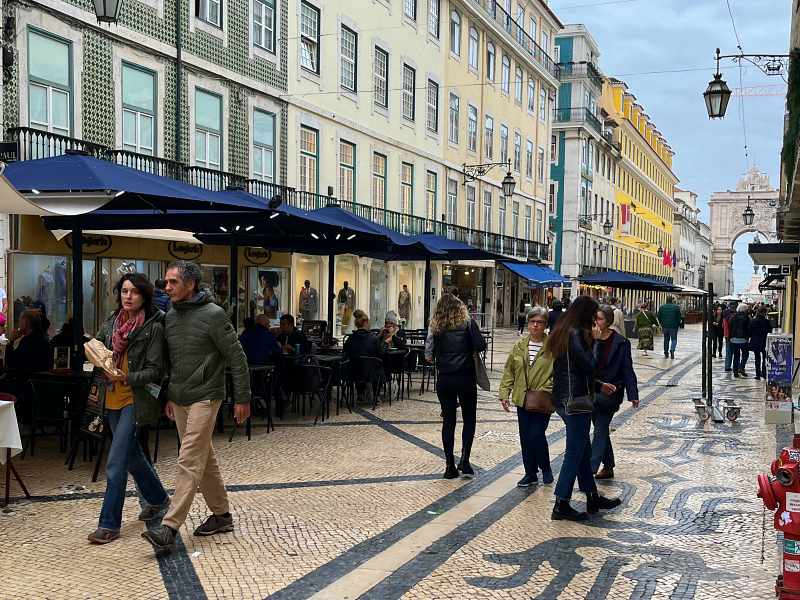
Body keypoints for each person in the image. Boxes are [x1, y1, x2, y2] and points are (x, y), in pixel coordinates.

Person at [141, 261, 251, 556]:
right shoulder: (171, 316)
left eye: (173, 283)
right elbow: (171, 362)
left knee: (189, 458)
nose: (167, 288)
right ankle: (222, 516)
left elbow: (237, 358)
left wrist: (243, 398)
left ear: (190, 285)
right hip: (179, 397)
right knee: (204, 457)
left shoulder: (215, 315)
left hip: (206, 395)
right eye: (166, 282)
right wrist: (168, 396)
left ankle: (169, 528)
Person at [87, 273, 170, 544]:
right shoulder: (112, 322)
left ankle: (109, 524)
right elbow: (96, 343)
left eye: (134, 292)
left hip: (136, 398)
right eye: (124, 291)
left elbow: (156, 370)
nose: (128, 296)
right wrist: (98, 354)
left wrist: (127, 377)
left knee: (116, 461)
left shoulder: (153, 327)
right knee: (132, 455)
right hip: (110, 397)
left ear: (144, 296)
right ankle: (157, 498)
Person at [546, 295, 621, 521]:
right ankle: (561, 503)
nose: (595, 321)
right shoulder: (576, 334)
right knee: (575, 452)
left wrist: (599, 385)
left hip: (565, 397)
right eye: (593, 315)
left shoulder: (562, 332)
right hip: (575, 401)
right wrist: (597, 342)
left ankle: (592, 496)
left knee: (583, 450)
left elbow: (571, 370)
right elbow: (590, 365)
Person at [425, 293, 486, 479]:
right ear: (460, 307)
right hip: (466, 377)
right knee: (469, 419)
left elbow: (428, 354)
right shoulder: (468, 323)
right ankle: (465, 461)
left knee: (448, 421)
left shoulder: (435, 326)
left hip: (445, 379)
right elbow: (481, 344)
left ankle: (449, 465)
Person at [498, 307, 554, 487]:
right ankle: (530, 473)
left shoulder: (552, 346)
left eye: (540, 322)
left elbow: (559, 373)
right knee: (525, 437)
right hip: (522, 398)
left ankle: (545, 467)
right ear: (528, 323)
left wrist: (547, 388)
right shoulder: (519, 346)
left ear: (545, 325)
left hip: (542, 399)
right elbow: (509, 371)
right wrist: (504, 393)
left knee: (536, 434)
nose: (535, 325)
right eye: (532, 322)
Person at [591, 305, 639, 480]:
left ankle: (592, 467)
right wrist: (594, 342)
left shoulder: (621, 342)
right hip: (591, 390)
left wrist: (633, 394)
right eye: (595, 318)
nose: (597, 322)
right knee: (600, 429)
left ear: (609, 321)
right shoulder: (589, 339)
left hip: (611, 393)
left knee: (600, 429)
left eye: (601, 318)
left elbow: (627, 369)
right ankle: (609, 466)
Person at [729, 303, 751, 378]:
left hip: (734, 339)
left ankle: (735, 372)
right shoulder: (747, 318)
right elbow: (749, 329)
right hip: (743, 340)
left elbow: (730, 328)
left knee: (736, 355)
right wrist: (748, 337)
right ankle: (741, 367)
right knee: (745, 354)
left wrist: (730, 338)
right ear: (745, 310)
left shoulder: (733, 317)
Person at [750, 307, 771, 380]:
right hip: (765, 342)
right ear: (764, 313)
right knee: (765, 358)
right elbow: (769, 331)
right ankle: (764, 373)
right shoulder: (767, 322)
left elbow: (750, 331)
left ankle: (758, 374)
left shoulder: (753, 321)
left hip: (756, 342)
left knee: (757, 358)